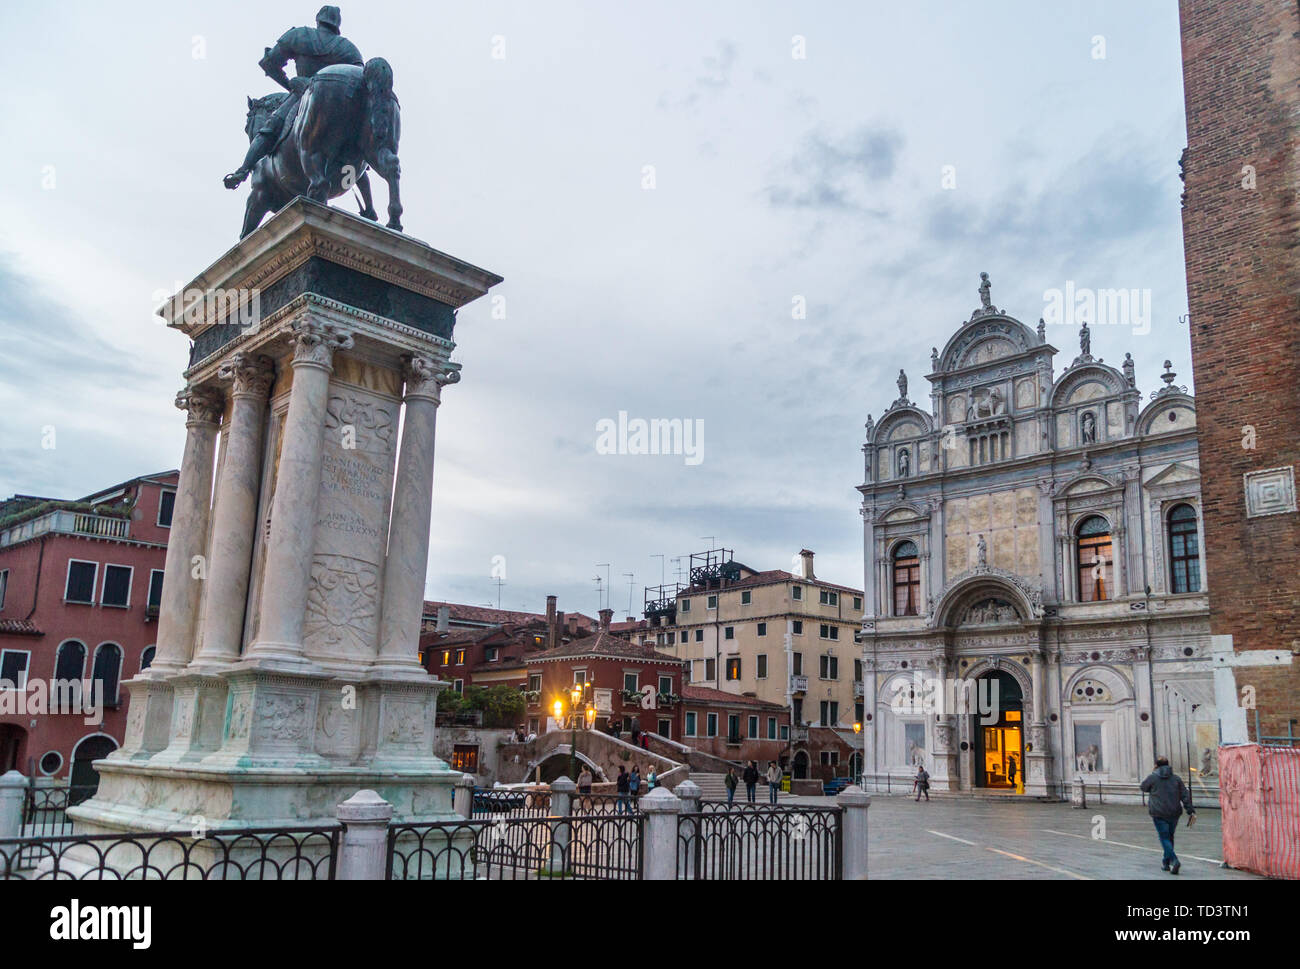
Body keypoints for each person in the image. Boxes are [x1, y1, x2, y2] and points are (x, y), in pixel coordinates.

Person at [223, 6, 365, 189]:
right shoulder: (348, 48)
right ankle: (368, 204)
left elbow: (269, 63)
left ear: (319, 20)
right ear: (337, 25)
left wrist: (290, 84)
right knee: (355, 146)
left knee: (269, 129)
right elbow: (359, 80)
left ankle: (242, 172)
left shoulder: (300, 35)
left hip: (302, 94)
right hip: (338, 106)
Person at [1140, 755, 1196, 875]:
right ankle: (1166, 863)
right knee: (1169, 837)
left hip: (1158, 812)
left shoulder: (1152, 777)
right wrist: (1190, 810)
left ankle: (1174, 860)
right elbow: (1185, 795)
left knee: (1164, 838)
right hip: (1174, 812)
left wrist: (1153, 774)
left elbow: (1143, 787)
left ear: (1156, 765)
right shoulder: (1176, 779)